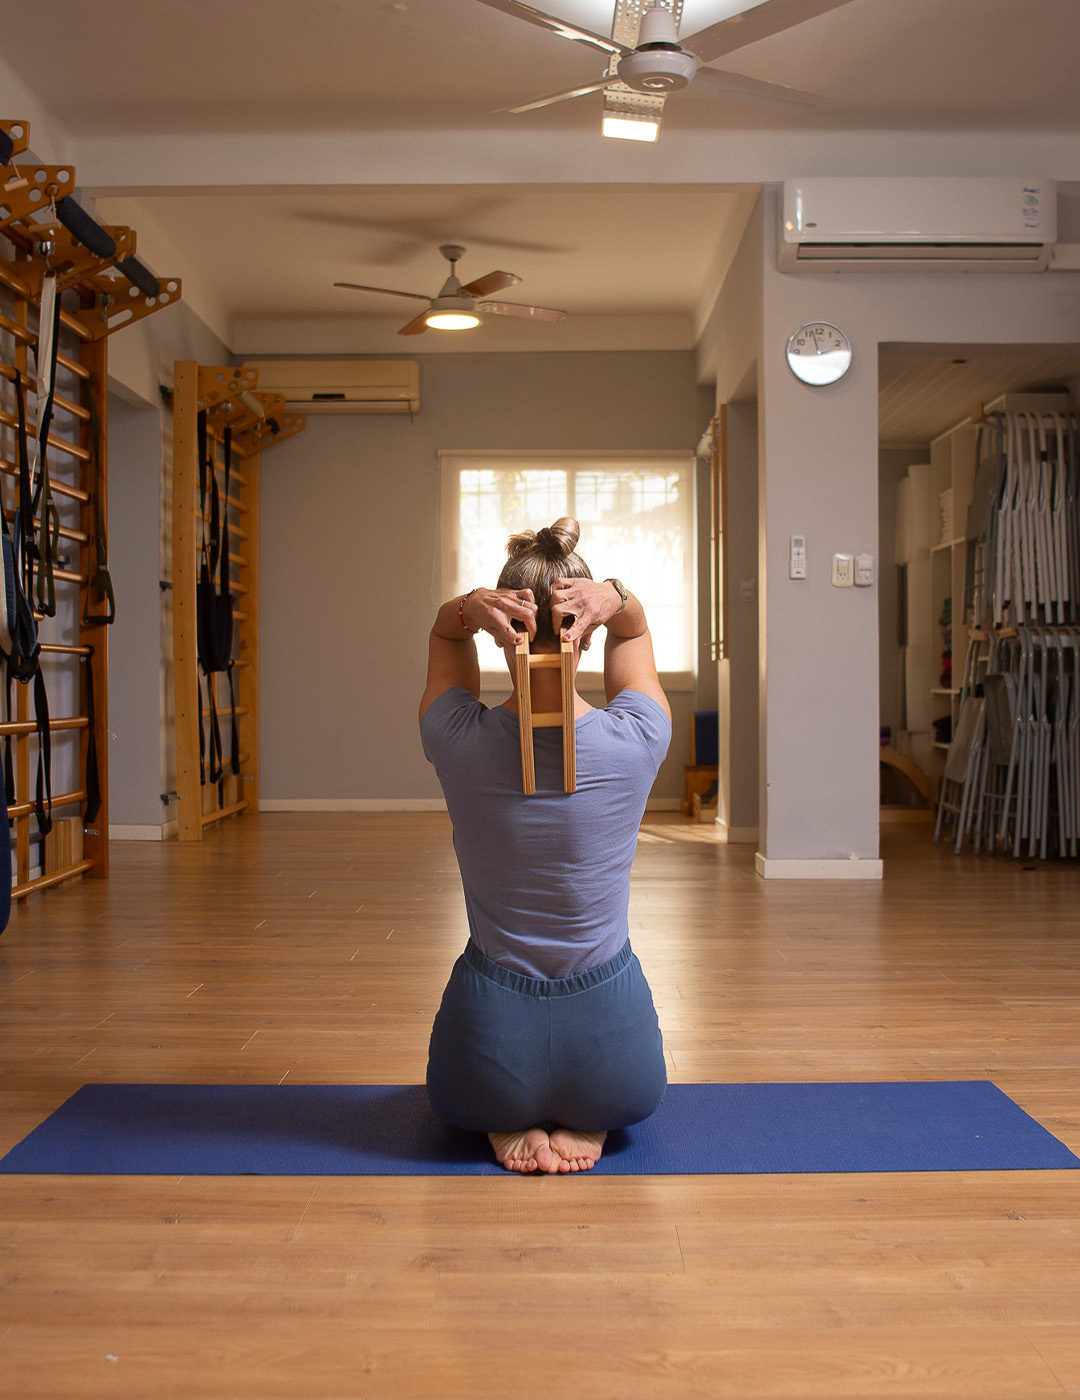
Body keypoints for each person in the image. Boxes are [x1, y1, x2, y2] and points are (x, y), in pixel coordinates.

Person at [419, 517, 671, 1174]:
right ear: (586, 632)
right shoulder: (640, 738)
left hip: (481, 1067)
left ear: (501, 630)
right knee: (623, 1082)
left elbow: (445, 634)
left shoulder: (454, 738)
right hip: (621, 1074)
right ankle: (591, 1115)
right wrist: (616, 597)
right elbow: (635, 631)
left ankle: (505, 1119)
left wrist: (468, 610)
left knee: (465, 1086)